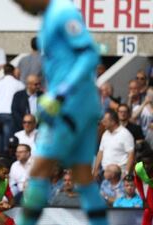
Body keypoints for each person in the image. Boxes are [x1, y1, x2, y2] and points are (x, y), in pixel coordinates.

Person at [12, 0, 108, 225]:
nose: (19, 6)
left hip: (69, 108)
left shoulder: (63, 11)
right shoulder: (50, 16)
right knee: (83, 176)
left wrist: (60, 93)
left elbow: (89, 55)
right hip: (81, 106)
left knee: (38, 171)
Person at [0, 64, 25, 154]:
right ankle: (7, 158)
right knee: (9, 140)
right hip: (9, 114)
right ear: (13, 72)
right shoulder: (19, 84)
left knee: (0, 135)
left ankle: (0, 157)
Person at [94, 110, 135, 177]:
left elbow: (131, 154)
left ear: (113, 122)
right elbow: (101, 152)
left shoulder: (125, 134)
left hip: (120, 174)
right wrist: (96, 169)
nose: (103, 123)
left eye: (105, 121)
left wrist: (126, 173)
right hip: (105, 173)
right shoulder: (105, 134)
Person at [134, 142, 153, 225]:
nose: (146, 166)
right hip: (151, 189)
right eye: (144, 163)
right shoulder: (139, 168)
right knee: (148, 211)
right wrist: (143, 199)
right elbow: (138, 182)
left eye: (149, 163)